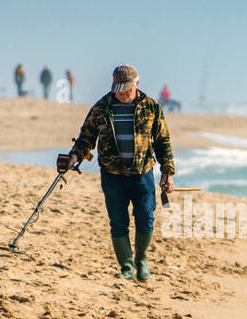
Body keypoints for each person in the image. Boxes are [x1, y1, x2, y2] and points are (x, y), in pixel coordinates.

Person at [67, 64, 175, 281]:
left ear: (137, 83)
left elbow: (163, 142)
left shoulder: (151, 107)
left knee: (145, 218)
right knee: (118, 221)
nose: (121, 93)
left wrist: (167, 172)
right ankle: (126, 266)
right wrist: (74, 156)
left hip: (142, 173)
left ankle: (141, 260)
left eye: (126, 89)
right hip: (112, 175)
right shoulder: (102, 108)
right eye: (118, 88)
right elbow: (86, 136)